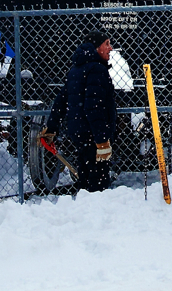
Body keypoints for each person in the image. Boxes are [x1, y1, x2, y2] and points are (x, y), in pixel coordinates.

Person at [42, 30, 118, 192]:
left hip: (79, 132)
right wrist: (102, 140)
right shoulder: (97, 70)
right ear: (97, 47)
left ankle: (85, 200)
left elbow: (61, 101)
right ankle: (96, 202)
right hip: (93, 134)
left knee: (85, 175)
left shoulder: (76, 70)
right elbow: (94, 107)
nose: (110, 48)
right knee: (99, 182)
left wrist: (51, 129)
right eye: (107, 44)